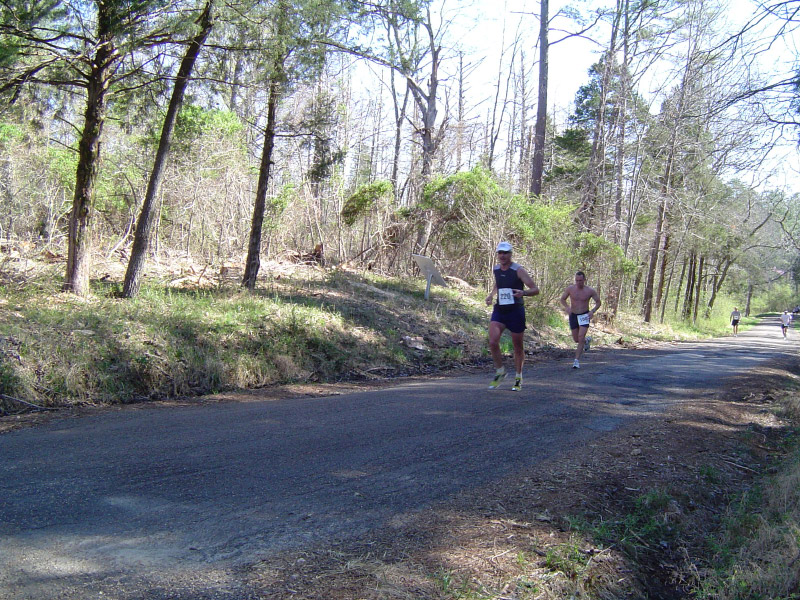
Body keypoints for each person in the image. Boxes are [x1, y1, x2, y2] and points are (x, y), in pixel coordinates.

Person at [485, 242, 539, 391]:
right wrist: (491, 295)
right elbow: (498, 284)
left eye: (505, 253)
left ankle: (518, 377)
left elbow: (535, 289)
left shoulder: (518, 270)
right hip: (500, 310)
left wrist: (524, 293)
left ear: (510, 254)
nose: (502, 256)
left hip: (515, 311)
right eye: (500, 253)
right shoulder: (496, 269)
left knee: (517, 347)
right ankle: (500, 372)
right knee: (493, 342)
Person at [559, 271, 602, 369]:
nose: (578, 282)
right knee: (576, 339)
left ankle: (576, 361)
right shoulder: (570, 289)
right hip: (573, 315)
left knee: (581, 336)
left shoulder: (590, 291)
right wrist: (567, 307)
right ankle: (586, 341)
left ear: (584, 280)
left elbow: (598, 302)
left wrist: (592, 311)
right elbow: (562, 299)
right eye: (577, 280)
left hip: (584, 315)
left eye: (580, 280)